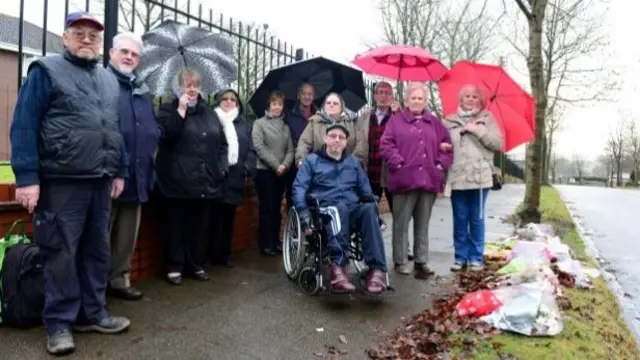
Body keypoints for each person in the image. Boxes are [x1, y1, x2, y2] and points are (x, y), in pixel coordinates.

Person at [9, 12, 131, 355]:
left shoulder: (109, 80)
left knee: (97, 250)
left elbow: (113, 128)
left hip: (100, 179)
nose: (87, 39)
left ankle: (92, 313)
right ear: (65, 37)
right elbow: (24, 125)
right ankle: (59, 323)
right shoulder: (45, 71)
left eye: (94, 35)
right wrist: (27, 178)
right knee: (59, 253)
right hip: (61, 181)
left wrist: (119, 169)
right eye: (79, 33)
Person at [293, 123, 388, 294]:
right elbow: (299, 188)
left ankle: (376, 271)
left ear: (346, 143)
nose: (337, 140)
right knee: (338, 209)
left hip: (350, 209)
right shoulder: (312, 161)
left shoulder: (353, 163)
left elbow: (366, 192)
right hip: (323, 209)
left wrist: (376, 216)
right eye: (333, 136)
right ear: (325, 139)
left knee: (367, 210)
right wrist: (304, 214)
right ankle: (338, 267)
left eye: (341, 137)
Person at [155, 68, 228, 286]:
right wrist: (181, 110)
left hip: (204, 180)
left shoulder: (209, 113)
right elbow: (166, 137)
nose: (192, 88)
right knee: (175, 226)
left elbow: (222, 143)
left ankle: (195, 265)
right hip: (177, 179)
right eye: (187, 84)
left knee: (198, 226)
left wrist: (221, 168)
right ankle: (174, 266)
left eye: (195, 84)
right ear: (178, 87)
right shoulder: (167, 109)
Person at [380, 82, 453, 279]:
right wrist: (398, 163)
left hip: (428, 179)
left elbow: (447, 148)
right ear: (406, 100)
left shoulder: (435, 123)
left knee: (423, 222)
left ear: (426, 101)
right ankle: (401, 260)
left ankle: (421, 259)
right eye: (413, 97)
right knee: (401, 222)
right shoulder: (396, 121)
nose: (417, 101)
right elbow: (386, 145)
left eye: (420, 98)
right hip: (404, 179)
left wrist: (439, 166)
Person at [106, 31, 159, 301]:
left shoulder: (142, 90)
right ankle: (95, 286)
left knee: (127, 235)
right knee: (100, 234)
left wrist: (155, 134)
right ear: (112, 53)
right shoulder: (103, 83)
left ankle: (119, 279)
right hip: (108, 174)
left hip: (138, 174)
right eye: (124, 51)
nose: (129, 57)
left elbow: (150, 125)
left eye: (134, 54)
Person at [442, 84, 503, 272]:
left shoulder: (487, 118)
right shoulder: (449, 120)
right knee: (459, 218)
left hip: (480, 177)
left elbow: (498, 143)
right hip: (458, 175)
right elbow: (440, 141)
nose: (470, 99)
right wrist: (442, 146)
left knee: (476, 218)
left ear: (480, 100)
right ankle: (460, 257)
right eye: (466, 96)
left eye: (474, 97)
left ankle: (476, 257)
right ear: (461, 99)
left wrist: (478, 130)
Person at [357, 82, 411, 259]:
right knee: (369, 213)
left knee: (399, 214)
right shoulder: (365, 116)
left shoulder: (399, 116)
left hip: (392, 174)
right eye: (380, 92)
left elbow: (409, 134)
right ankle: (369, 248)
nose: (383, 96)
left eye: (387, 93)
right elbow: (357, 139)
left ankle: (403, 249)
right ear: (374, 96)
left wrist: (400, 114)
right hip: (370, 172)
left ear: (392, 96)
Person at [208, 88, 256, 267]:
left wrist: (246, 167)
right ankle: (213, 255)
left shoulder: (243, 124)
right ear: (218, 102)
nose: (229, 102)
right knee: (215, 218)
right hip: (217, 176)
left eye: (232, 100)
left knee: (229, 219)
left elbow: (251, 149)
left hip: (235, 176)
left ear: (237, 104)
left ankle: (224, 255)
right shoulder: (212, 120)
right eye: (225, 99)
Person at [252, 90, 294, 256]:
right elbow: (259, 147)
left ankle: (276, 241)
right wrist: (276, 165)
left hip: (281, 172)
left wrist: (284, 165)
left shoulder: (285, 127)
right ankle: (265, 243)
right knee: (267, 208)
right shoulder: (259, 123)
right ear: (269, 105)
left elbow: (290, 149)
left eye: (280, 104)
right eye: (274, 103)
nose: (277, 107)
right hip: (265, 172)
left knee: (277, 208)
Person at [295, 92, 367, 167]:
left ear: (342, 106)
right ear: (324, 106)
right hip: (320, 168)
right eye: (328, 103)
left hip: (348, 168)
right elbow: (304, 143)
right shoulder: (315, 122)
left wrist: (352, 163)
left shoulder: (352, 121)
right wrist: (302, 161)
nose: (331, 105)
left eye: (335, 103)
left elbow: (361, 144)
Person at [284, 83, 317, 208]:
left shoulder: (318, 115)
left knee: (312, 197)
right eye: (304, 94)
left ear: (313, 96)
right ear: (299, 95)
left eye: (310, 94)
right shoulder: (290, 114)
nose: (307, 97)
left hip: (314, 163)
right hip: (294, 163)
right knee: (293, 196)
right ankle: (293, 225)